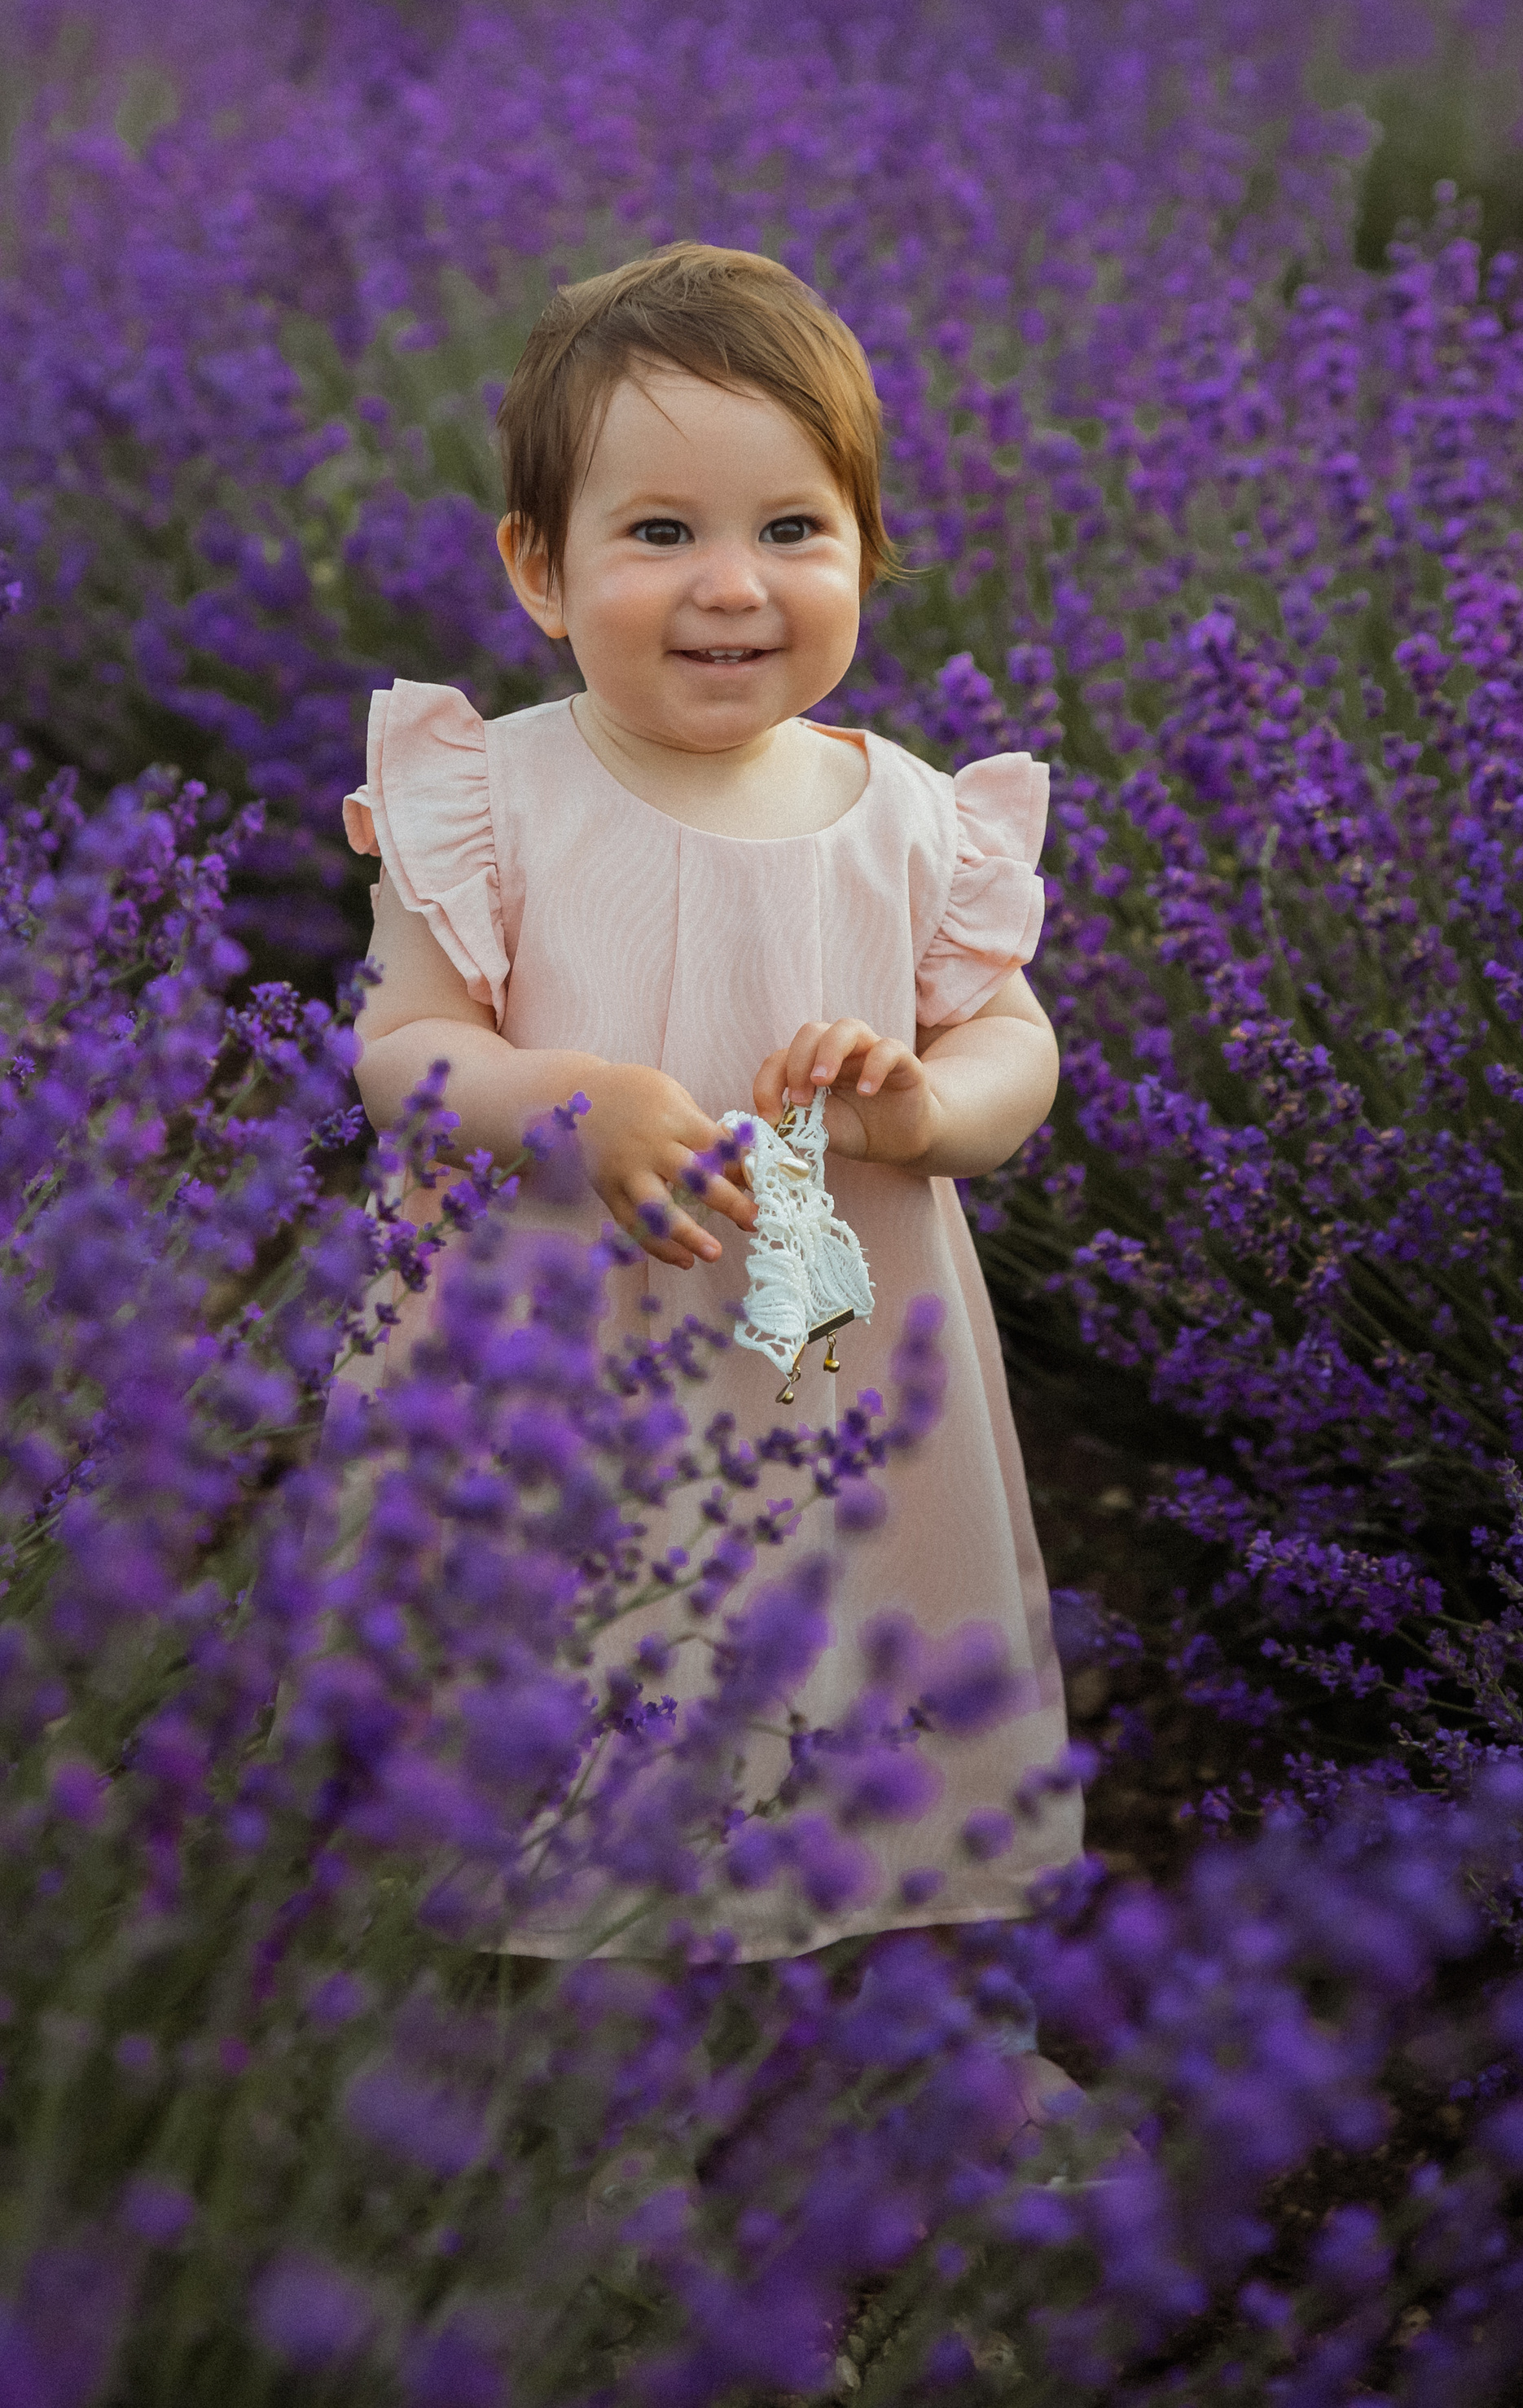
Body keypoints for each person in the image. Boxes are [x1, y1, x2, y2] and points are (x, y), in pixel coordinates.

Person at [341, 242, 1082, 1978]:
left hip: (830, 1354)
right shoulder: (484, 796)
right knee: (567, 1659)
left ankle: (884, 2007)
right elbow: (397, 1049)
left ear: (865, 553)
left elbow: (1012, 1049)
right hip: (549, 1357)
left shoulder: (911, 818)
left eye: (789, 531)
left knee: (850, 1654)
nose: (727, 585)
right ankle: (570, 2026)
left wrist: (922, 1107)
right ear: (540, 568)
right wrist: (557, 1093)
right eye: (658, 531)